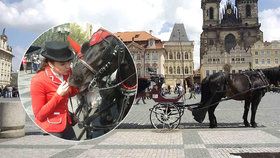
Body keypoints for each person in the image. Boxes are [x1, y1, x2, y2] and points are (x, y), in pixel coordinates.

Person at [30, 41, 79, 140]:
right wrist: (58, 95)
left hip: (66, 123)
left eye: (69, 61)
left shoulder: (67, 72)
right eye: (62, 64)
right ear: (50, 64)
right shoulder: (38, 80)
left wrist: (78, 84)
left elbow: (73, 92)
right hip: (51, 128)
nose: (68, 66)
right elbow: (39, 115)